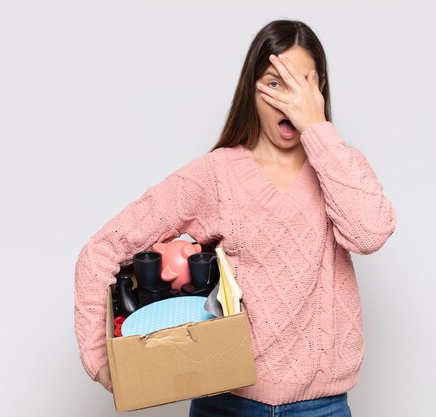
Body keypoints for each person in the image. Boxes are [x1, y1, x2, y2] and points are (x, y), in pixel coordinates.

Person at [74, 19, 396, 417]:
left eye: (301, 85)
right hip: (227, 405)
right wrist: (101, 360)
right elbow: (102, 250)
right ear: (252, 89)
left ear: (320, 89)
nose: (287, 101)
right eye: (275, 84)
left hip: (321, 407)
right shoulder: (216, 175)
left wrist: (316, 126)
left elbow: (370, 233)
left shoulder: (340, 167)